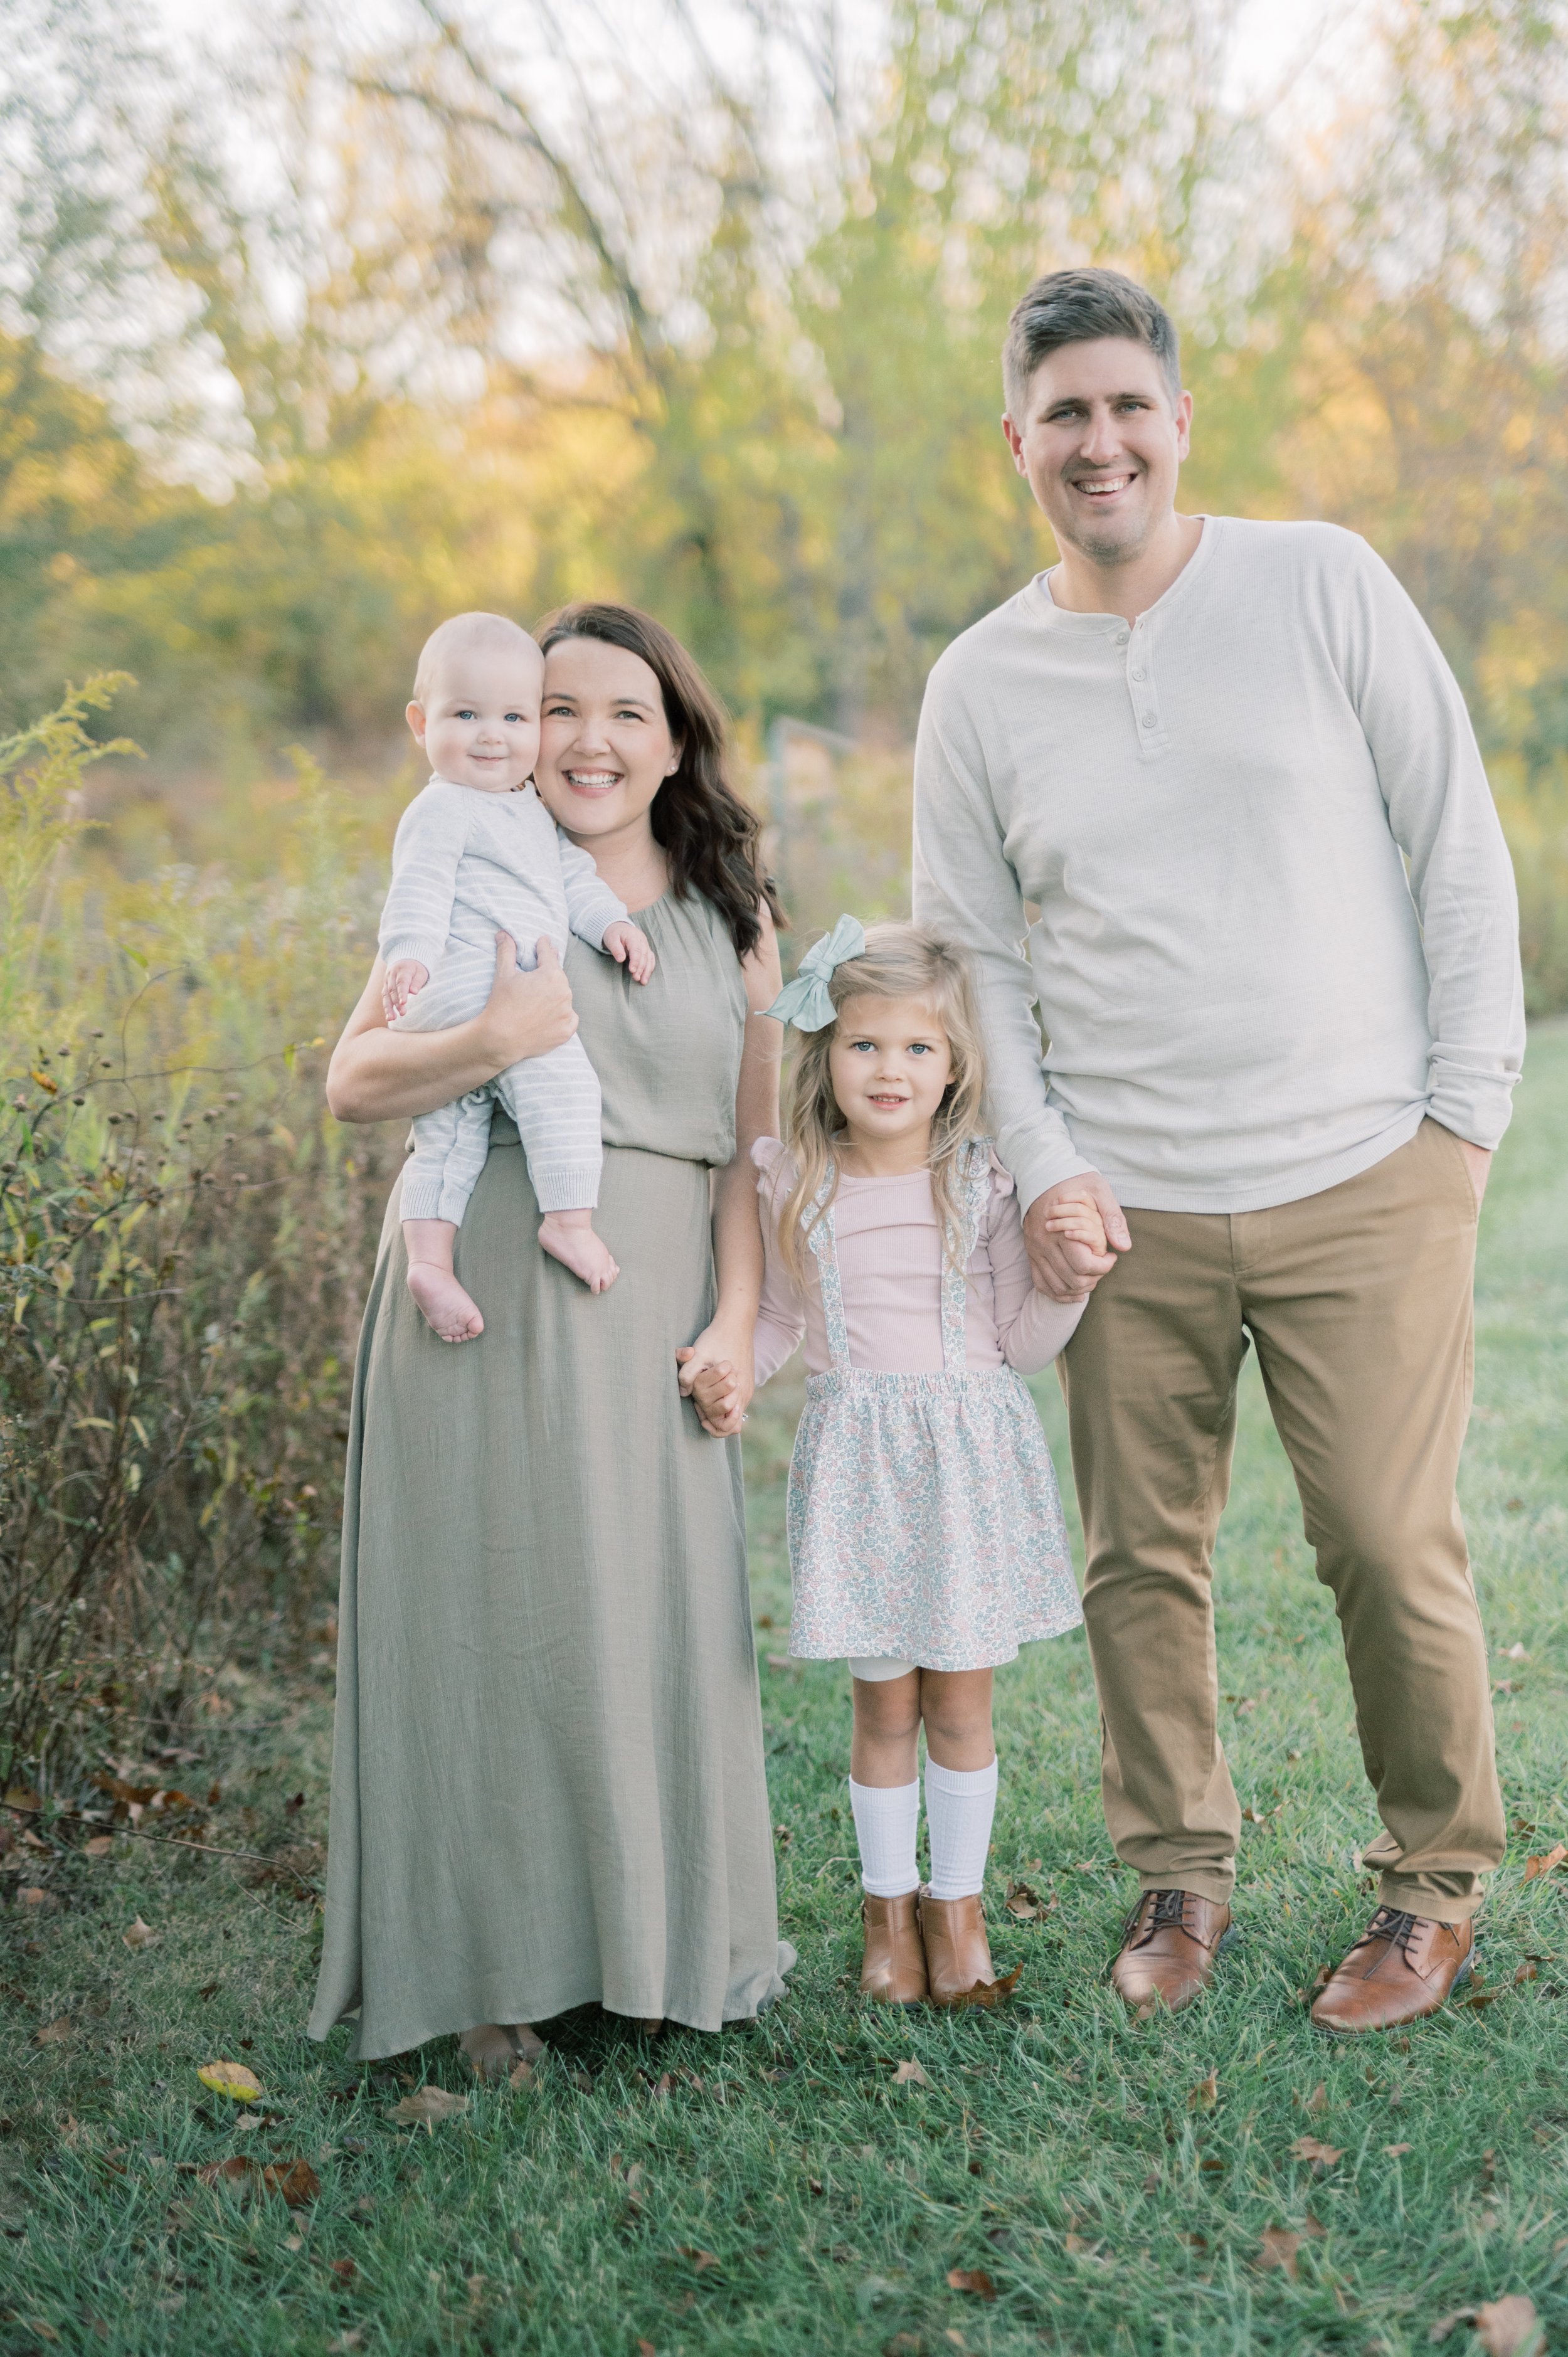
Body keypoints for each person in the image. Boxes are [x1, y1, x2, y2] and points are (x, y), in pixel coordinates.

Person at [912, 266, 1525, 2033]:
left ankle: (1429, 1887)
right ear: (1014, 440)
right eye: (1061, 415)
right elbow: (976, 959)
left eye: (1126, 407)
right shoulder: (977, 683)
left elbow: (1454, 845)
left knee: (1389, 1537)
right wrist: (1040, 1164)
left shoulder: (1318, 581)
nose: (1097, 443)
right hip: (1123, 1200)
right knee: (1137, 1555)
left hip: (1362, 1168)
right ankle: (1177, 1875)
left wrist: (1459, 1120)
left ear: (1178, 420)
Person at [308, 601, 793, 2073]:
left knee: (647, 1625)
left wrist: (739, 1320)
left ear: (673, 738)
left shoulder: (734, 909)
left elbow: (748, 1157)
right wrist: (490, 1041)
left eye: (622, 712)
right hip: (486, 1293)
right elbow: (352, 1077)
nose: (584, 739)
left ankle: (652, 1945)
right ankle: (482, 1972)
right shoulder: (474, 860)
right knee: (486, 1623)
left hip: (653, 1305)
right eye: (555, 708)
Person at [691, 920, 1097, 2007]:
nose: (891, 1069)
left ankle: (955, 1912)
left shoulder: (981, 1179)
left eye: (919, 1048)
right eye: (866, 1045)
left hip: (967, 1465)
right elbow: (775, 1321)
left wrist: (1070, 1283)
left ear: (955, 1063)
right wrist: (733, 1371)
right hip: (861, 1466)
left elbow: (1018, 1338)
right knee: (883, 1710)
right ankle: (886, 1915)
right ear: (825, 1053)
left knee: (961, 1704)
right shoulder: (796, 1179)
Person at [381, 610, 655, 1334]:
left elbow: (572, 874)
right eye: (465, 714)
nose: (492, 735)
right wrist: (407, 954)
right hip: (476, 979)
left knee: (448, 1128)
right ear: (420, 722)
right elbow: (419, 884)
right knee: (561, 1079)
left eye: (513, 715)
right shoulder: (444, 807)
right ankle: (568, 1218)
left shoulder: (524, 808)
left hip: (456, 1003)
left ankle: (430, 1263)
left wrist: (611, 922)